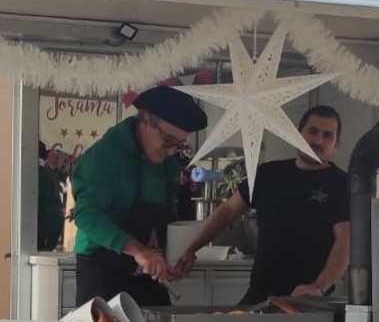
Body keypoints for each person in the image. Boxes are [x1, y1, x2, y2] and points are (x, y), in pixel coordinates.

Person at [174, 105, 351, 304]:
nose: (318, 140)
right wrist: (192, 249)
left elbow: (345, 242)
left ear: (336, 145)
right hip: (260, 295)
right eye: (312, 131)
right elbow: (228, 211)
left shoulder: (342, 184)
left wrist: (319, 287)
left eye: (327, 135)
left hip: (310, 300)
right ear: (298, 134)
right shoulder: (268, 174)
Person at [69, 85, 209, 306]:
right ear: (145, 121)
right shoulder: (104, 156)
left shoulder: (168, 166)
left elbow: (164, 220)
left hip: (146, 273)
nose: (172, 151)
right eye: (168, 141)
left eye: (180, 145)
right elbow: (87, 215)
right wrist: (139, 250)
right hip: (101, 270)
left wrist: (178, 254)